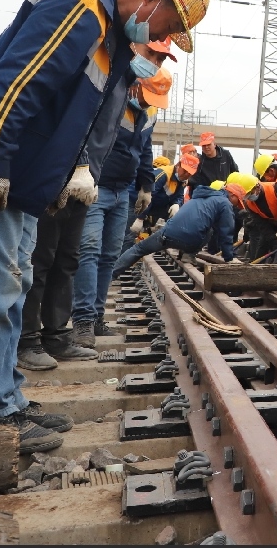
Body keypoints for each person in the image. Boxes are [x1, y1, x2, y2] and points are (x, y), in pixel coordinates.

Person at [0, 0, 206, 452]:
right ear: (153, 0)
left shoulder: (108, 34)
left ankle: (6, 397)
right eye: (168, 25)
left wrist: (62, 177)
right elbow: (17, 82)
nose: (159, 37)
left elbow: (74, 121)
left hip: (20, 176)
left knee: (13, 280)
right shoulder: (80, 7)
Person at [71, 57, 173, 348]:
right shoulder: (110, 99)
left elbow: (144, 151)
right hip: (97, 186)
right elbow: (87, 135)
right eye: (147, 94)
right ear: (137, 85)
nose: (148, 102)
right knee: (89, 251)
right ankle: (83, 322)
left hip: (123, 191)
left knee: (108, 255)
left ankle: (97, 317)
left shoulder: (148, 114)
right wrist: (83, 169)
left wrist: (145, 186)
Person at [17, 179, 101, 370]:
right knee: (38, 261)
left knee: (67, 261)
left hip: (82, 186)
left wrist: (92, 175)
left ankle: (56, 337)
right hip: (54, 180)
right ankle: (27, 340)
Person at [113, 180, 250, 274]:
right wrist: (229, 258)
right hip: (189, 239)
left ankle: (111, 275)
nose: (236, 205)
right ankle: (188, 254)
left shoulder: (202, 196)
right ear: (231, 195)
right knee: (210, 230)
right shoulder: (224, 203)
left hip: (167, 233)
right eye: (237, 201)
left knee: (138, 249)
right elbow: (226, 233)